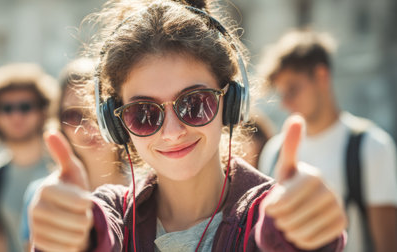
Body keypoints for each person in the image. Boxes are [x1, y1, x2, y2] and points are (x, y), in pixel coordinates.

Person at [30, 1, 347, 251]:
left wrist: (298, 237)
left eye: (195, 103)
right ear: (117, 124)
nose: (172, 131)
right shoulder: (109, 214)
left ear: (231, 101)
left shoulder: (271, 214)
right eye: (143, 113)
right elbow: (98, 235)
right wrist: (73, 237)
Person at [257, 29, 397, 252]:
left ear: (322, 76)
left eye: (293, 89)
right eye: (281, 94)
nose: (286, 103)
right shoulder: (275, 152)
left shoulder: (371, 146)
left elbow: (388, 245)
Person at [20, 58, 130, 249]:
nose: (87, 126)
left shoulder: (153, 188)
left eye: (98, 112)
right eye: (73, 116)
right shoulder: (44, 195)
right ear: (59, 122)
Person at [0, 63, 60, 252]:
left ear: (43, 112)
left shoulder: (63, 167)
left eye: (25, 107)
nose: (16, 115)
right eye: (6, 108)